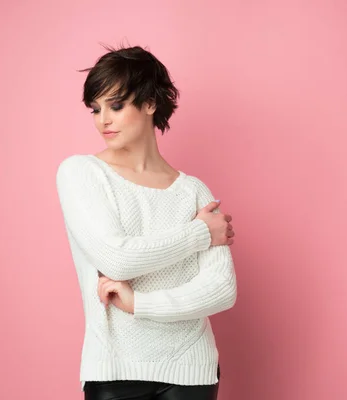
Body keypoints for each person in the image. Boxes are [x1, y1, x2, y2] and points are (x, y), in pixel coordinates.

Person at [55, 44, 237, 400]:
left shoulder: (194, 191)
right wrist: (200, 233)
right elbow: (116, 258)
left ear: (150, 103)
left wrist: (139, 304)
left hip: (191, 368)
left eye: (116, 105)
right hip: (114, 370)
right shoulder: (82, 173)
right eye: (96, 109)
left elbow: (221, 290)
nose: (102, 119)